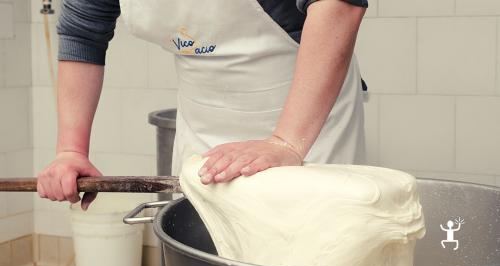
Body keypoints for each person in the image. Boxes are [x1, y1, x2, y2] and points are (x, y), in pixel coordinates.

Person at [37, 0, 368, 210]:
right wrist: (71, 150)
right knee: (207, 251)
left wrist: (285, 142)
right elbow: (82, 34)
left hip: (306, 124)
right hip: (204, 125)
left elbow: (338, 5)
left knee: (306, 246)